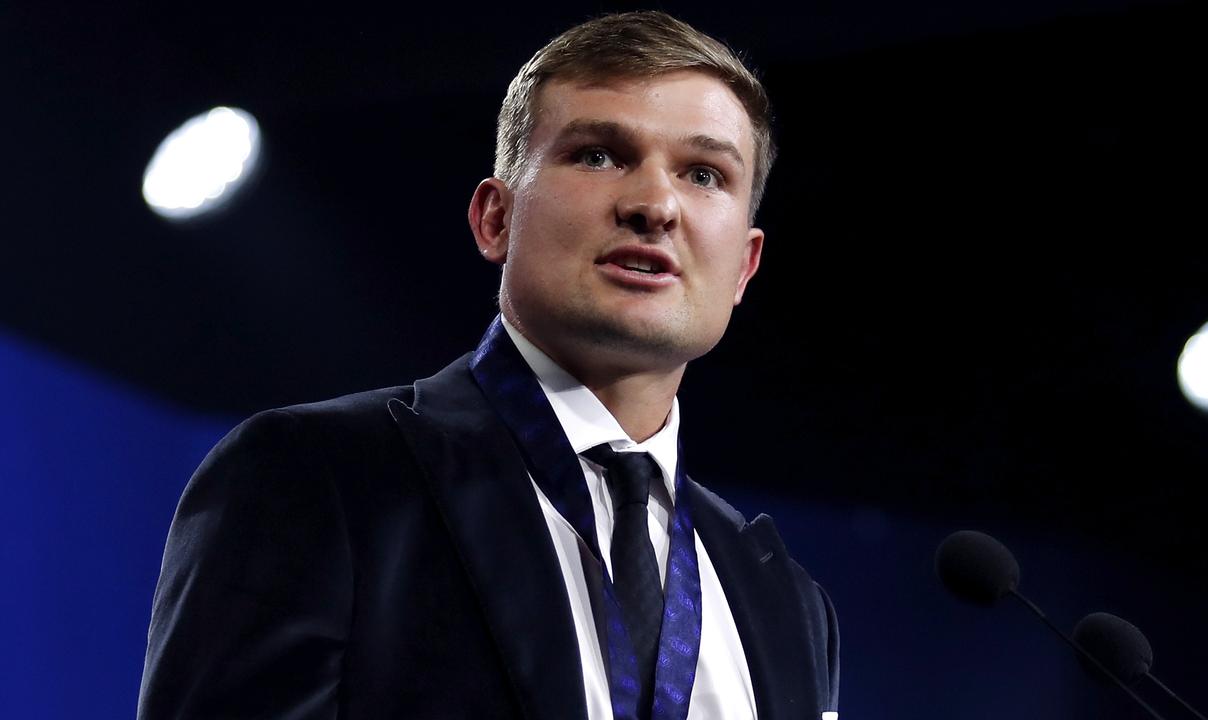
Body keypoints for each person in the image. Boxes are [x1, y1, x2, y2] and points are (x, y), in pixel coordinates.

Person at [138, 10, 839, 720]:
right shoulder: (318, 480)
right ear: (495, 219)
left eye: (703, 173)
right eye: (599, 154)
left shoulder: (786, 600)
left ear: (745, 266)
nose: (654, 205)